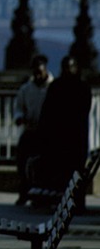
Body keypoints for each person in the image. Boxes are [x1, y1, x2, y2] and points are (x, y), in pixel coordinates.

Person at [36, 55, 93, 202]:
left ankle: (76, 203)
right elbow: (47, 113)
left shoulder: (81, 87)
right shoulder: (58, 87)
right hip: (62, 139)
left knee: (75, 173)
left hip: (74, 139)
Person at [13, 54, 52, 204]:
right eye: (35, 73)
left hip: (45, 132)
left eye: (40, 72)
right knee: (22, 162)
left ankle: (40, 194)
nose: (38, 76)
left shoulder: (52, 87)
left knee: (43, 165)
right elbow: (19, 107)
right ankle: (24, 191)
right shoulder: (26, 89)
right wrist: (20, 117)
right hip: (30, 130)